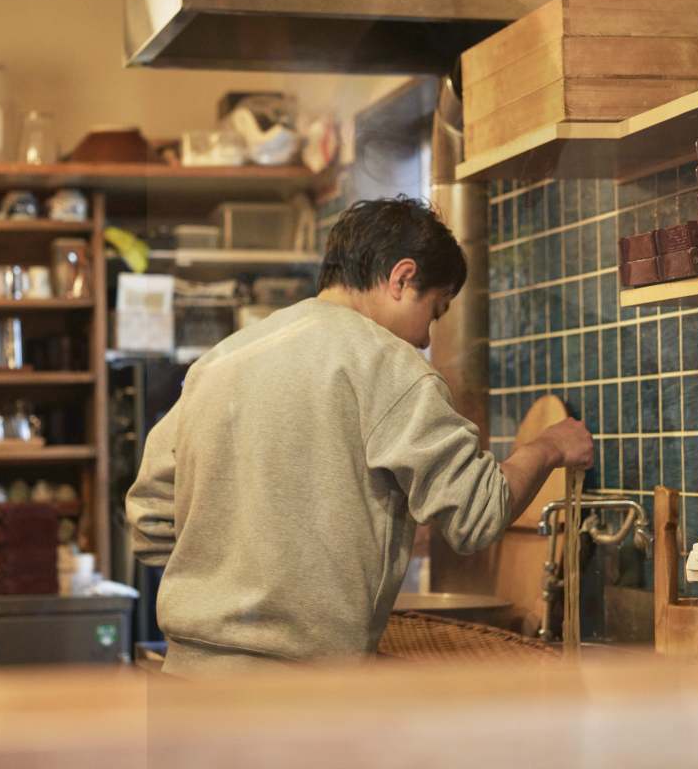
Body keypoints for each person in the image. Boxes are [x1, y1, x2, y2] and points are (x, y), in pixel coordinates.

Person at [126, 196, 593, 677]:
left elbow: (150, 518)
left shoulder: (220, 361)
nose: (427, 339)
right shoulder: (389, 365)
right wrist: (549, 446)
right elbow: (478, 513)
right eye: (435, 310)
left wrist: (228, 573)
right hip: (301, 694)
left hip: (186, 680)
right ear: (402, 277)